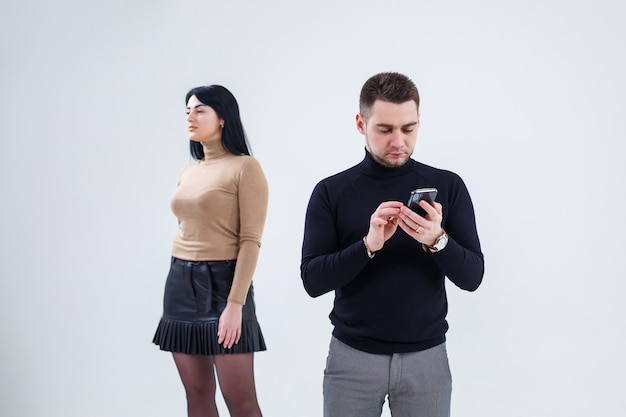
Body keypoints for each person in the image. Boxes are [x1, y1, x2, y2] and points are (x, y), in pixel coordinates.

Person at [300, 72, 484, 417]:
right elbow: (312, 281)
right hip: (351, 360)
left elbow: (473, 277)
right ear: (361, 123)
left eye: (408, 128)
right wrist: (367, 245)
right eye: (385, 130)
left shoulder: (448, 185)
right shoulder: (331, 191)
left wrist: (438, 240)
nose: (398, 140)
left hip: (426, 360)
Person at [153, 85, 268, 417]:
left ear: (222, 118)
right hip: (179, 284)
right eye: (188, 110)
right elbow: (186, 231)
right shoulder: (189, 171)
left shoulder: (246, 168)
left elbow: (250, 240)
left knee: (240, 400)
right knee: (197, 396)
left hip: (224, 284)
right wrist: (171, 301)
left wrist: (235, 304)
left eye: (200, 110)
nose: (190, 116)